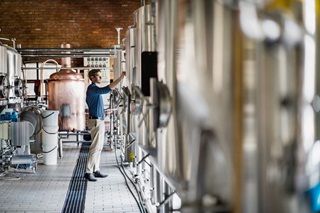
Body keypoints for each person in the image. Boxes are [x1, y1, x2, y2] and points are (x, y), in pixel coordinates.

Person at [85, 69, 126, 181]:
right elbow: (108, 88)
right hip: (95, 121)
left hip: (99, 119)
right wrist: (121, 78)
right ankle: (88, 172)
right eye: (98, 76)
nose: (100, 78)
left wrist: (105, 111)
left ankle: (95, 169)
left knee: (99, 147)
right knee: (95, 147)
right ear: (92, 78)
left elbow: (95, 106)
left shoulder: (95, 90)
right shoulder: (92, 88)